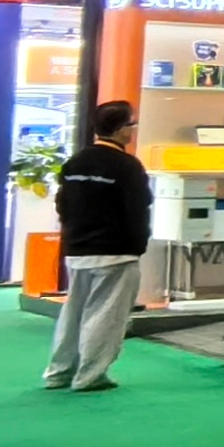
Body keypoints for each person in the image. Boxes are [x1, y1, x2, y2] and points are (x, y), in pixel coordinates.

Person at [44, 100, 150, 392]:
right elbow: (137, 210)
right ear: (120, 129)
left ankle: (59, 373)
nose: (133, 130)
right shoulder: (128, 166)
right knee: (106, 315)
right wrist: (137, 245)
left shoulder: (76, 162)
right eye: (131, 124)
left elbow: (63, 204)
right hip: (116, 252)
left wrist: (73, 235)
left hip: (77, 249)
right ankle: (90, 376)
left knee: (73, 313)